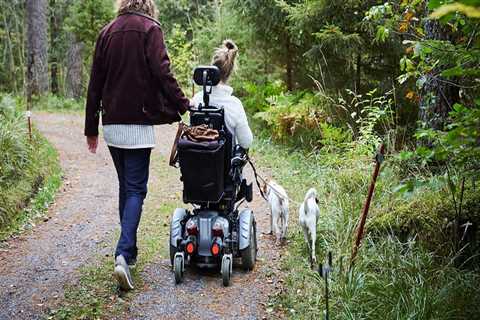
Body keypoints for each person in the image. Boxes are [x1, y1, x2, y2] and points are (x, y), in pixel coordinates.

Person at [84, 0, 189, 291]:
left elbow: (95, 83)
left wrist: (91, 128)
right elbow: (162, 71)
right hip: (138, 122)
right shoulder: (149, 28)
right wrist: (184, 104)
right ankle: (124, 252)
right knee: (136, 189)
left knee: (125, 186)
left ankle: (127, 253)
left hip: (113, 123)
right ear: (148, 4)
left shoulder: (107, 32)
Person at [191, 40, 253, 149]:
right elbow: (246, 142)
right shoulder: (234, 104)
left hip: (196, 163)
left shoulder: (197, 98)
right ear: (229, 73)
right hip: (224, 164)